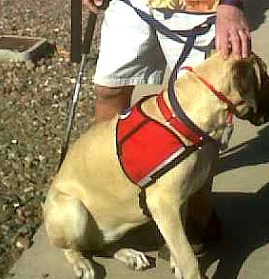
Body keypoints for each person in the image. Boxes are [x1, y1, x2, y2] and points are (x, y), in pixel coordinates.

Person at [81, 0, 251, 255]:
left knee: (201, 108)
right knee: (109, 89)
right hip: (130, 4)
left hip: (197, 7)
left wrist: (231, 5)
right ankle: (110, 197)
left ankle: (198, 216)